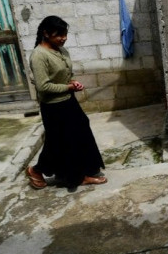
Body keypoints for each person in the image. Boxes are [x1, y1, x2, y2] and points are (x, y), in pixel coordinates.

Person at [25, 16, 107, 190]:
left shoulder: (62, 51)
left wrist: (73, 82)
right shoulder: (39, 56)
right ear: (46, 34)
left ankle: (83, 170)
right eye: (59, 35)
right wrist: (69, 87)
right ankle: (73, 176)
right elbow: (43, 86)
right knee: (61, 142)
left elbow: (65, 76)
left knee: (78, 131)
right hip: (53, 106)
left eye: (65, 34)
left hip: (68, 101)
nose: (64, 38)